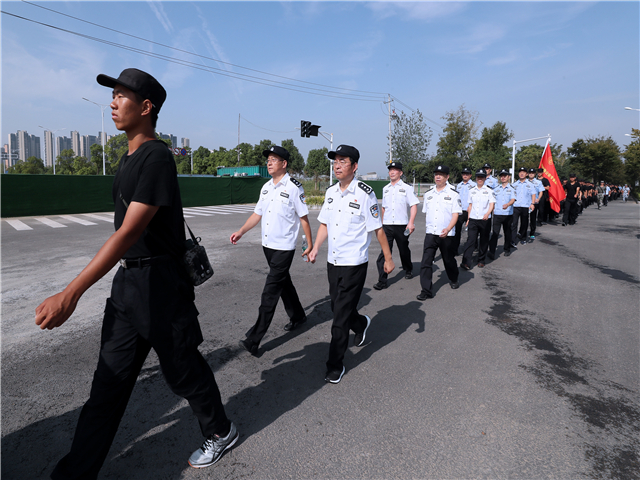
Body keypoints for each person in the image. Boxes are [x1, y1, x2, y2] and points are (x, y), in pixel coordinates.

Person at [35, 68, 237, 479]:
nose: (112, 103)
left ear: (146, 107)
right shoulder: (127, 158)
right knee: (106, 387)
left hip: (161, 287)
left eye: (120, 95)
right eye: (112, 95)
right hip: (128, 286)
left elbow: (128, 232)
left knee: (183, 371)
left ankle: (221, 430)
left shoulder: (157, 157)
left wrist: (71, 293)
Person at [307, 144, 394, 384]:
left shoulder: (365, 194)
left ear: (354, 166)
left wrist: (388, 258)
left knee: (339, 319)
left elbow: (378, 229)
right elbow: (324, 224)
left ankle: (335, 365)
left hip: (354, 263)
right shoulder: (331, 192)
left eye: (342, 161)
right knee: (337, 307)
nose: (337, 165)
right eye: (335, 161)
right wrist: (315, 247)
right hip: (333, 261)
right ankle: (361, 323)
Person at [231, 145, 312, 355]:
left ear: (284, 164)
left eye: (273, 159)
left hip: (284, 248)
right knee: (284, 283)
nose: (269, 163)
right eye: (268, 160)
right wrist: (241, 231)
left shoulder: (294, 187)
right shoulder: (266, 187)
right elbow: (257, 214)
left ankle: (254, 339)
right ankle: (298, 316)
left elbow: (303, 218)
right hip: (268, 246)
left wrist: (308, 244)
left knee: (270, 292)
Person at [417, 165, 462, 301]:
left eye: (441, 174)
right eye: (436, 174)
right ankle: (426, 290)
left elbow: (455, 215)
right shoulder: (428, 194)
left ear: (447, 177)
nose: (438, 177)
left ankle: (453, 278)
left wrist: (448, 229)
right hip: (431, 233)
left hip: (446, 234)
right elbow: (427, 213)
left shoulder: (453, 194)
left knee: (448, 260)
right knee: (426, 262)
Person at [373, 161, 419, 290]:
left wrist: (411, 222)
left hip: (401, 225)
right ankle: (382, 280)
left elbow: (413, 205)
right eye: (390, 170)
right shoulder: (386, 189)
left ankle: (408, 269)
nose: (392, 172)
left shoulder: (407, 188)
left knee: (403, 250)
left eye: (395, 170)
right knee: (384, 252)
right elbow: (384, 208)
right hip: (387, 225)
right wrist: (382, 224)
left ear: (400, 173)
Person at [460, 169, 495, 269]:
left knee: (484, 241)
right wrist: (468, 219)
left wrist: (487, 213)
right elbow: (470, 206)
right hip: (473, 219)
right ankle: (466, 262)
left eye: (482, 177)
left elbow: (492, 204)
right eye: (478, 177)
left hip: (485, 219)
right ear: (476, 178)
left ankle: (481, 260)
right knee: (470, 240)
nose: (480, 179)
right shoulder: (472, 190)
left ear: (485, 178)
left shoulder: (489, 191)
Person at [488, 169, 516, 259]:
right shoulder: (495, 189)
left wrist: (508, 204)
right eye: (501, 176)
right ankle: (492, 251)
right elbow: (492, 200)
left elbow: (513, 199)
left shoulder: (512, 189)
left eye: (505, 176)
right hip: (497, 214)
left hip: (508, 214)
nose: (503, 177)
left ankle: (507, 249)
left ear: (509, 177)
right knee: (495, 233)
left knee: (507, 233)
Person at [452, 167, 476, 256]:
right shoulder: (459, 185)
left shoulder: (474, 185)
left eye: (467, 174)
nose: (465, 175)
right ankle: (455, 249)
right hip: (460, 211)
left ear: (470, 175)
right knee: (457, 231)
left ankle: (472, 248)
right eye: (463, 174)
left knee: (472, 231)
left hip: (470, 211)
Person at [511, 167, 536, 246]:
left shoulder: (530, 184)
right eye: (520, 172)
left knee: (524, 223)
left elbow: (533, 194)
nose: (521, 174)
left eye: (523, 172)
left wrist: (532, 204)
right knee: (514, 224)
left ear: (526, 174)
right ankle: (513, 240)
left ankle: (523, 238)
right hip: (516, 206)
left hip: (525, 206)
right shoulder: (514, 184)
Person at [527, 168, 544, 239]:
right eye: (530, 173)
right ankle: (522, 232)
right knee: (524, 218)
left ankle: (532, 233)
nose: (531, 174)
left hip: (534, 203)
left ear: (535, 174)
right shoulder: (525, 181)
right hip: (526, 203)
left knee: (533, 218)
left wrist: (538, 198)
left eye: (533, 173)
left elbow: (541, 191)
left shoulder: (538, 182)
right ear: (528, 174)